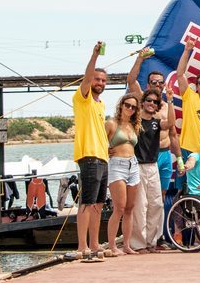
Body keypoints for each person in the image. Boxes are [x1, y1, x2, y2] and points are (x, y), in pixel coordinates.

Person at [128, 85, 180, 253]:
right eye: (148, 100)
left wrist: (170, 100)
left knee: (156, 204)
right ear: (142, 103)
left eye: (155, 102)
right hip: (138, 166)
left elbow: (171, 123)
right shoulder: (134, 122)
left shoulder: (157, 122)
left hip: (152, 165)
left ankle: (151, 241)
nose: (151, 103)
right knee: (140, 206)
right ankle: (139, 243)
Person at [73, 42, 110, 262]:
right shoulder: (82, 98)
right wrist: (94, 55)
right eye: (98, 79)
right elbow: (86, 79)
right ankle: (82, 246)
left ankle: (95, 244)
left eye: (104, 81)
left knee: (98, 203)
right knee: (86, 202)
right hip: (88, 155)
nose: (100, 83)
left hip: (102, 156)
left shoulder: (101, 104)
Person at [103, 93, 141, 256]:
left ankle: (126, 244)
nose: (130, 109)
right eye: (127, 105)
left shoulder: (134, 125)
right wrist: (106, 150)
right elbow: (99, 142)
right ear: (121, 105)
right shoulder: (111, 123)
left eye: (133, 107)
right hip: (117, 164)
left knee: (130, 208)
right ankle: (112, 245)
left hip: (133, 164)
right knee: (119, 207)